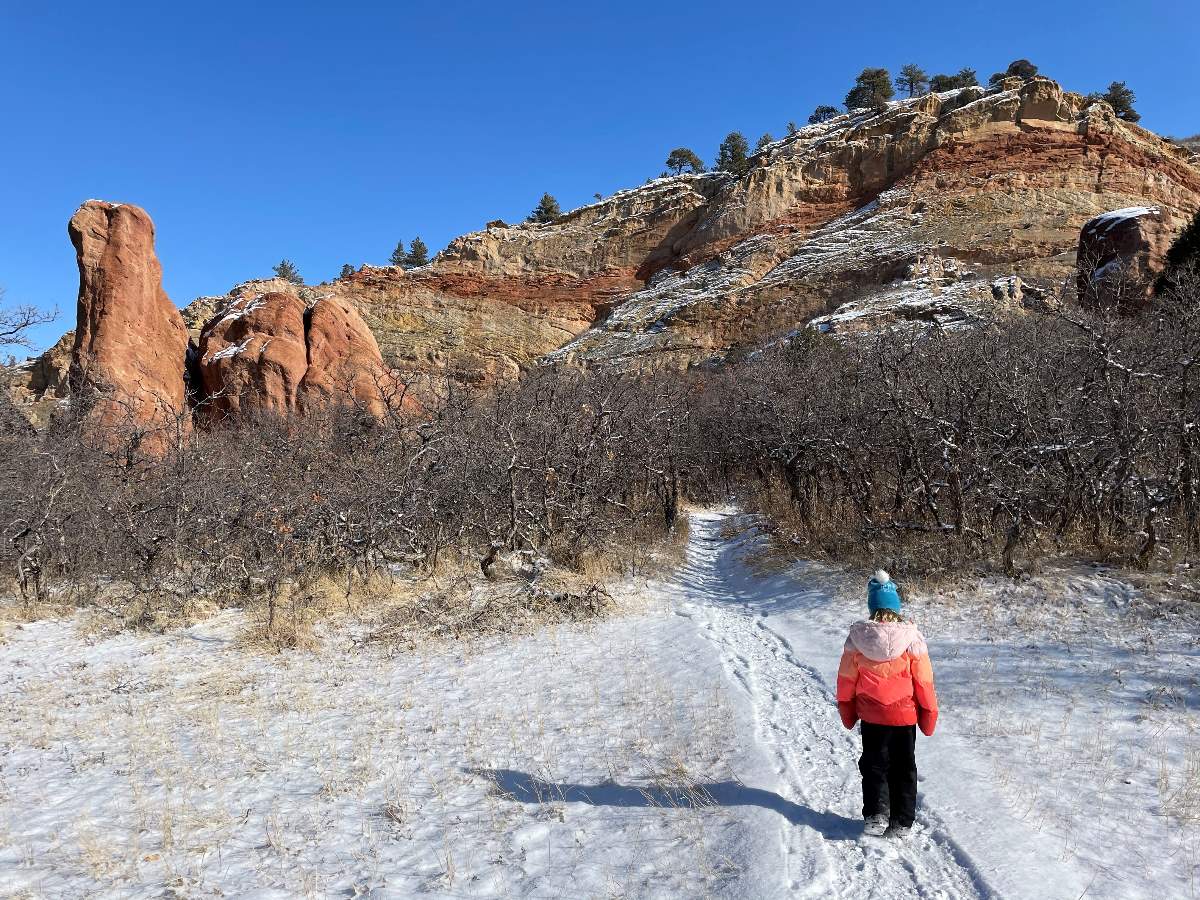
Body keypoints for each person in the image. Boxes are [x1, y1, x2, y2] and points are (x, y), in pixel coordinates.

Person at [836, 569, 938, 838]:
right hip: (904, 718)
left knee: (873, 764)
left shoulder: (858, 640)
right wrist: (928, 711)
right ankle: (902, 821)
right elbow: (924, 682)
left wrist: (847, 710)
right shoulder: (912, 639)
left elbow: (846, 680)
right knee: (904, 767)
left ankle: (875, 815)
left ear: (872, 607)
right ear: (896, 607)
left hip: (872, 718)